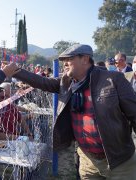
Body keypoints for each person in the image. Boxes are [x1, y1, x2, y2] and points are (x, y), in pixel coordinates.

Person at [13, 44, 136, 179]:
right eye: (63, 60)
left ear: (85, 59)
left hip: (120, 161)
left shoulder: (114, 79)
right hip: (88, 160)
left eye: (69, 59)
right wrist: (16, 71)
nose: (64, 64)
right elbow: (43, 82)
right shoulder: (66, 83)